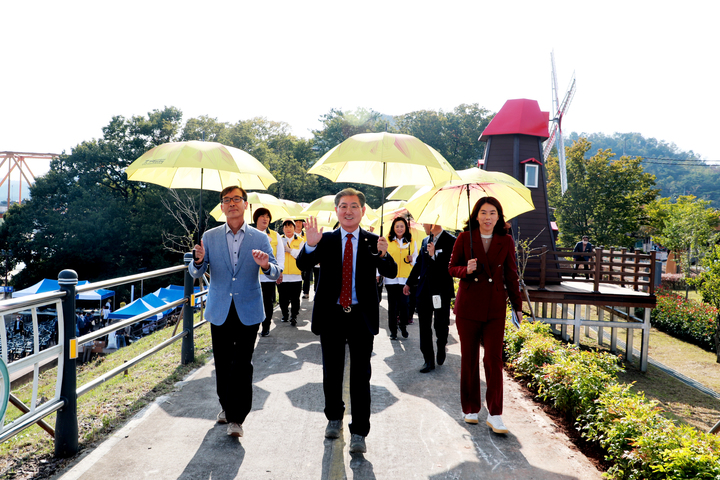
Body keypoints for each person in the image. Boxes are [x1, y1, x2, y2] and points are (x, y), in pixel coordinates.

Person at [296, 187, 397, 455]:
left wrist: (384, 254)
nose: (348, 210)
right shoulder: (325, 240)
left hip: (361, 316)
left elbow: (392, 271)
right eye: (343, 206)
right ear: (336, 211)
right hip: (331, 316)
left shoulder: (373, 241)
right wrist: (310, 244)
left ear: (363, 211)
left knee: (361, 375)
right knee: (332, 371)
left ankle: (360, 431)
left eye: (354, 206)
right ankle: (333, 417)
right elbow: (302, 265)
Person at [189, 185, 281, 438]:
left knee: (242, 363)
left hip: (248, 307)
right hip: (219, 307)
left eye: (237, 199)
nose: (232, 204)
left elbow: (275, 271)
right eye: (226, 200)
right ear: (221, 207)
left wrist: (265, 266)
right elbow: (197, 272)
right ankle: (226, 406)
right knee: (222, 362)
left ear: (245, 205)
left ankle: (237, 417)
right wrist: (197, 261)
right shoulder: (209, 236)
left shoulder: (260, 237)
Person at [448, 197, 523, 434]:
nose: (488, 217)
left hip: (495, 307)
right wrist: (465, 270)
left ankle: (495, 414)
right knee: (469, 358)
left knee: (493, 359)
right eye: (483, 212)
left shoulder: (506, 240)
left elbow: (511, 274)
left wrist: (518, 305)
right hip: (469, 306)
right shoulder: (464, 238)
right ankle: (470, 408)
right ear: (476, 215)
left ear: (499, 217)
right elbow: (451, 268)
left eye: (492, 213)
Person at [404, 223, 456, 373]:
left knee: (441, 324)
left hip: (441, 291)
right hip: (424, 291)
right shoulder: (425, 240)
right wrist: (409, 282)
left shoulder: (451, 241)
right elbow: (420, 263)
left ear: (433, 223)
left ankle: (441, 346)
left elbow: (450, 266)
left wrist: (434, 256)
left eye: (424, 222)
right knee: (424, 326)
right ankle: (428, 359)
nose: (422, 225)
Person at [384, 217, 417, 340]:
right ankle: (393, 331)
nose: (399, 229)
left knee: (404, 305)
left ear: (406, 228)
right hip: (391, 278)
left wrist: (411, 260)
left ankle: (403, 326)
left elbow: (416, 260)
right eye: (397, 226)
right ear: (393, 227)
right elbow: (381, 257)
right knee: (392, 306)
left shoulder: (411, 241)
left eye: (402, 226)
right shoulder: (387, 241)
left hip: (405, 279)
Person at [254, 208, 285, 337]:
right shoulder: (250, 234)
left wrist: (279, 271)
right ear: (256, 219)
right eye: (262, 216)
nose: (265, 219)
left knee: (267, 302)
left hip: (268, 277)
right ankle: (254, 326)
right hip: (253, 277)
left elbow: (281, 255)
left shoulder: (275, 235)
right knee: (254, 303)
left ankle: (266, 326)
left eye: (267, 216)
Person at [277, 219, 304, 326]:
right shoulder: (279, 240)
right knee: (283, 298)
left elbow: (301, 256)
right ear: (283, 229)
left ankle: (294, 316)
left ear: (294, 228)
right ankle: (285, 314)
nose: (288, 229)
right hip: (282, 275)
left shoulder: (300, 240)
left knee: (295, 299)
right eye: (286, 227)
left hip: (296, 276)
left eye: (290, 227)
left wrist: (289, 250)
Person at [295, 219, 312, 299]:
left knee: (306, 276)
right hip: (294, 259)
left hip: (306, 259)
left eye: (300, 222)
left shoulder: (306, 235)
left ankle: (306, 292)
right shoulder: (291, 234)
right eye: (296, 222)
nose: (298, 224)